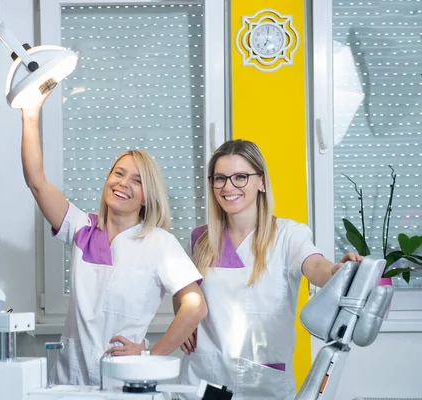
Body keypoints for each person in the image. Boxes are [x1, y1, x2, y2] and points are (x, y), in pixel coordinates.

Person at [20, 89, 208, 386]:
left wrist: (151, 354)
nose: (123, 184)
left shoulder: (158, 243)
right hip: (71, 379)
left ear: (148, 197)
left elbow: (195, 305)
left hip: (125, 379)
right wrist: (29, 114)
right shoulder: (82, 228)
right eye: (118, 173)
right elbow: (37, 182)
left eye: (137, 180)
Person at [176, 139, 361, 400]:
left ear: (261, 182)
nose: (229, 187)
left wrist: (335, 272)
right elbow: (182, 287)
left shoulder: (288, 235)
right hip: (205, 377)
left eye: (240, 177)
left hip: (262, 381)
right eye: (220, 178)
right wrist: (182, 320)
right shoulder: (200, 239)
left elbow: (315, 265)